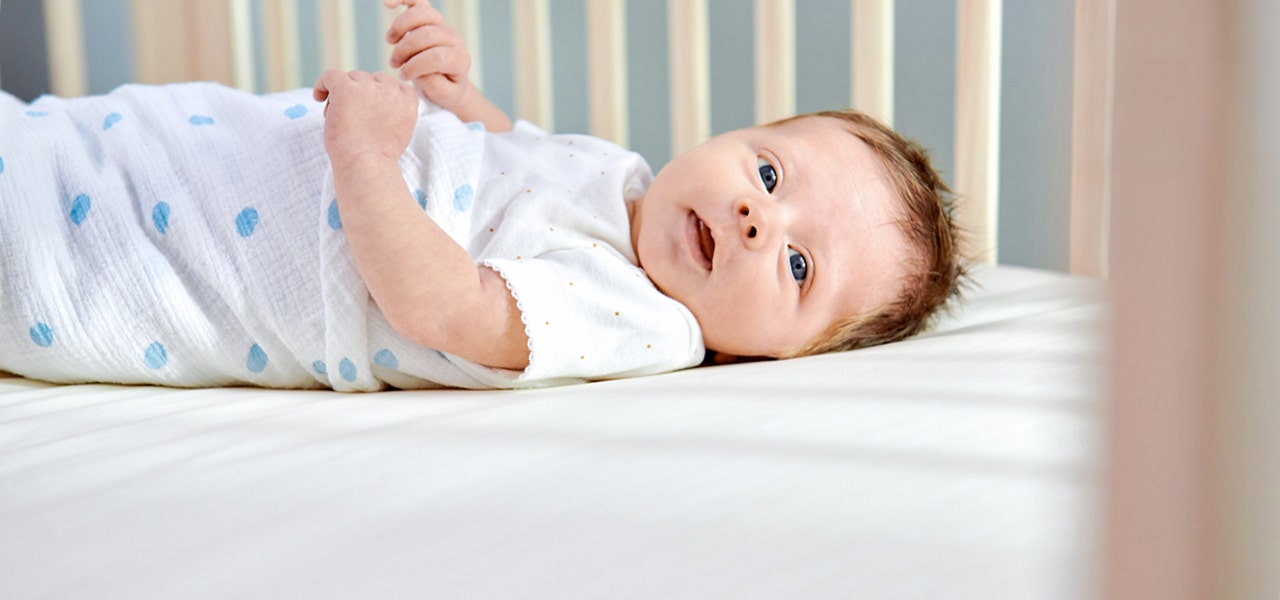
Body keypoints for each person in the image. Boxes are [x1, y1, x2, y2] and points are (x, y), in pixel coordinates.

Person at [0, 0, 963, 391]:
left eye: (798, 266)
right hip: (178, 152)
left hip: (181, 255)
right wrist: (457, 100)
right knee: (53, 146)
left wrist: (369, 160)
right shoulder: (623, 178)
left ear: (785, 354)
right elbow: (519, 162)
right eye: (768, 171)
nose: (759, 219)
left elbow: (446, 304)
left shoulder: (641, 320)